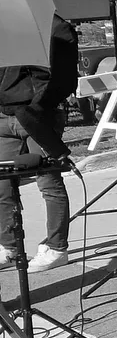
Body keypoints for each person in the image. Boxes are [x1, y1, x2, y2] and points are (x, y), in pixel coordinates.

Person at [0, 14, 79, 272]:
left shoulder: (54, 26)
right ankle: (9, 245)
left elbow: (65, 75)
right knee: (2, 183)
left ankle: (57, 248)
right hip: (4, 116)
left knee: (49, 183)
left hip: (37, 116)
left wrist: (38, 107)